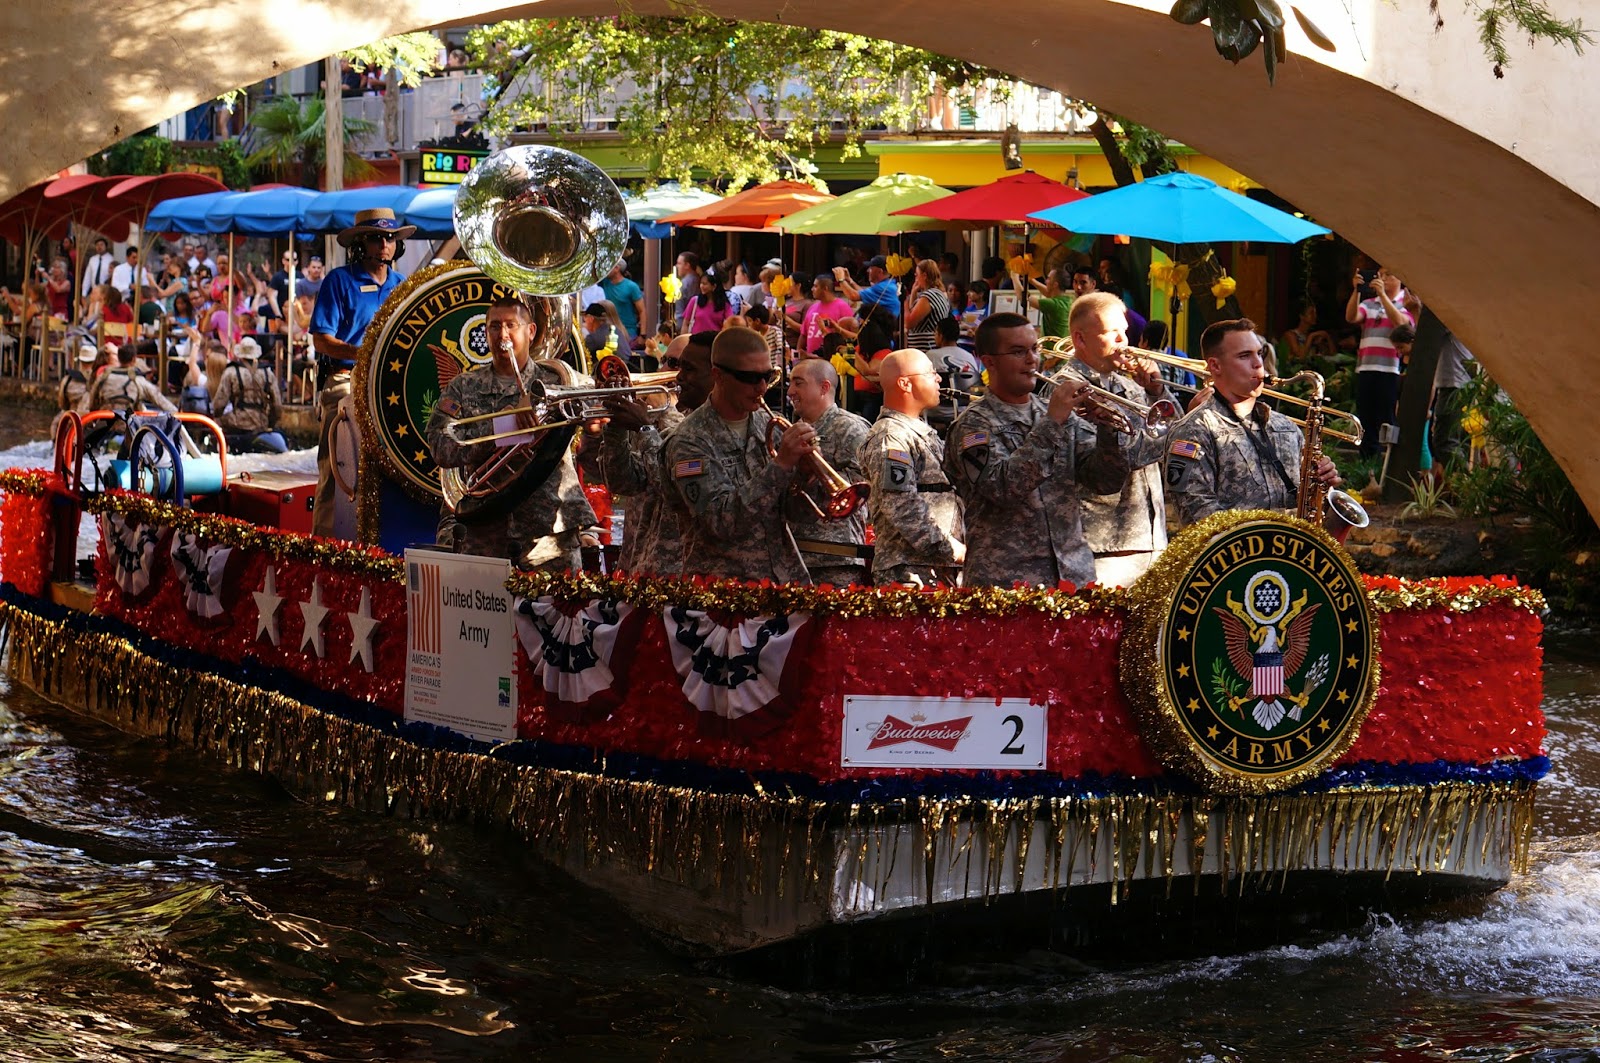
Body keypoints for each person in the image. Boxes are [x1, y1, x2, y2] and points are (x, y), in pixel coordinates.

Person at [944, 312, 1130, 588]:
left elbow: (1105, 482)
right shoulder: (973, 426)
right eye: (1018, 352)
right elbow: (1004, 488)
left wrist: (1108, 430)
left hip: (1072, 578)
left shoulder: (1057, 413)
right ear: (989, 362)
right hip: (1006, 585)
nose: (1032, 360)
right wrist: (1052, 422)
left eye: (1034, 349)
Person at [424, 296, 598, 571]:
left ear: (530, 331)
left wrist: (547, 403)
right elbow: (440, 446)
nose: (502, 335)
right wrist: (502, 427)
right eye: (494, 327)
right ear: (486, 332)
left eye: (511, 325)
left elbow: (595, 409)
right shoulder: (463, 386)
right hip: (487, 531)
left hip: (550, 531)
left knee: (556, 613)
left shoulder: (558, 380)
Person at [662, 326, 812, 583]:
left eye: (768, 375)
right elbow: (721, 521)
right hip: (723, 596)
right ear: (718, 375)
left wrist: (807, 478)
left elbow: (797, 515)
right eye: (750, 378)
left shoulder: (768, 423)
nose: (762, 387)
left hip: (783, 583)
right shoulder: (688, 441)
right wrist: (781, 465)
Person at [1164, 318, 1342, 526]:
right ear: (1215, 366)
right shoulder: (1192, 431)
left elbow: (1310, 503)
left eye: (1259, 353)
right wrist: (1283, 523)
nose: (1258, 363)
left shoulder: (1286, 428)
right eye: (1244, 356)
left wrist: (1323, 486)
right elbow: (1196, 515)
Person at [309, 207, 412, 537]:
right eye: (377, 238)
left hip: (386, 384)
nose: (384, 244)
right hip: (344, 381)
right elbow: (322, 340)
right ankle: (323, 543)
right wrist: (364, 354)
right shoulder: (339, 281)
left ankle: (380, 542)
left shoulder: (402, 286)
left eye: (390, 238)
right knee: (335, 466)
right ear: (361, 243)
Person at [1064, 292, 1176, 585]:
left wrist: (1157, 393)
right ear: (1080, 339)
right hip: (1103, 543)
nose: (1123, 342)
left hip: (1150, 535)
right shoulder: (1067, 391)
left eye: (1124, 332)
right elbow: (1113, 463)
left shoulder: (1127, 384)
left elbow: (1173, 437)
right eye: (1112, 333)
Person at [599, 332, 715, 574]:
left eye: (682, 365)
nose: (671, 372)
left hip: (683, 571)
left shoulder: (705, 424)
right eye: (669, 362)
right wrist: (616, 428)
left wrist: (650, 424)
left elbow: (674, 477)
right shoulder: (654, 411)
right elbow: (624, 482)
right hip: (639, 562)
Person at [860, 348, 966, 586]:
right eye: (930, 373)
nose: (939, 378)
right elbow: (901, 505)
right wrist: (951, 549)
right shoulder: (891, 437)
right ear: (905, 384)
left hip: (935, 569)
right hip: (910, 574)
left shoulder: (918, 432)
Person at [785, 358, 871, 586]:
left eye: (798, 383)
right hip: (794, 553)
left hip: (835, 554)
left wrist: (817, 472)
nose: (790, 391)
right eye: (790, 383)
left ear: (824, 387)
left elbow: (864, 489)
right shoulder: (791, 430)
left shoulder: (849, 427)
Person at [1345, 266, 1414, 458]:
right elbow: (1351, 317)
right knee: (1366, 418)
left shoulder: (1405, 303)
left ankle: (1387, 461)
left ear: (1400, 279)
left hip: (1390, 370)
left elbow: (1402, 324)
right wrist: (1356, 291)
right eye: (1381, 275)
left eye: (1388, 275)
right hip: (1366, 367)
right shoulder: (1369, 303)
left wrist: (1383, 296)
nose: (1382, 278)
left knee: (1387, 418)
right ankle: (1367, 463)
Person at [213, 337, 286, 452]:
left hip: (237, 422)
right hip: (261, 422)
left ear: (240, 354)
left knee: (217, 423)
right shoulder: (268, 373)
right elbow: (277, 405)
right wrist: (270, 423)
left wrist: (216, 417)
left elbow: (219, 403)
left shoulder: (231, 372)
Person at [87, 341, 177, 414]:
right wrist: (177, 413)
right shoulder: (138, 380)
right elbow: (161, 401)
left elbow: (92, 403)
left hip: (105, 423)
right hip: (130, 426)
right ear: (134, 359)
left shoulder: (104, 376)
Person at [1430, 326, 1475, 469]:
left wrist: (1414, 312)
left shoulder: (1444, 314)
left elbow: (1427, 335)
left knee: (1445, 442)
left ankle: (1465, 482)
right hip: (1462, 383)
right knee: (1461, 442)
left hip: (1454, 384)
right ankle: (1465, 483)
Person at [795, 274, 853, 358]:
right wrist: (798, 353)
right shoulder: (812, 307)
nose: (812, 289)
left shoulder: (843, 307)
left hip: (832, 359)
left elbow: (851, 335)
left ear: (825, 288)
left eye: (815, 286)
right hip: (809, 359)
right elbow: (804, 334)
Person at [903, 258, 951, 352]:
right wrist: (913, 293)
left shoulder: (929, 296)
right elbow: (913, 310)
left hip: (925, 347)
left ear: (924, 276)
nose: (916, 279)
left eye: (917, 276)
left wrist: (905, 304)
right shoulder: (940, 293)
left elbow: (909, 323)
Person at [833, 255, 901, 319]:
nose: (868, 271)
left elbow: (853, 296)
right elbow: (864, 294)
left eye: (871, 269)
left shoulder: (883, 288)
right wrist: (850, 280)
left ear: (880, 272)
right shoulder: (888, 284)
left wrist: (840, 280)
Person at [599, 260, 644, 346]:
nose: (606, 269)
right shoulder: (605, 283)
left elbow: (642, 311)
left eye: (609, 266)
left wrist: (642, 335)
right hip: (608, 332)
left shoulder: (631, 287)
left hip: (628, 333)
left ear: (616, 268)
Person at [1280, 300, 1335, 365]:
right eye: (1311, 313)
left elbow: (1332, 354)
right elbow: (1300, 357)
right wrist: (1310, 337)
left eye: (1315, 313)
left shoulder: (1315, 336)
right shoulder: (1291, 334)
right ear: (1302, 316)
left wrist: (1327, 337)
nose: (1315, 316)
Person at [1029, 268, 1074, 339]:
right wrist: (1032, 281)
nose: (1045, 281)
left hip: (1050, 348)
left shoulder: (1053, 304)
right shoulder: (1067, 301)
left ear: (1055, 285)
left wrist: (1014, 278)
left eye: (1048, 279)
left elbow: (1025, 298)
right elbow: (1048, 293)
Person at [57, 343, 98, 414]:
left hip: (73, 419)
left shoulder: (67, 381)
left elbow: (62, 404)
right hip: (95, 420)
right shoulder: (103, 381)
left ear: (80, 362)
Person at [81, 237, 114, 303]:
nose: (99, 247)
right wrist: (84, 294)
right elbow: (88, 277)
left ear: (106, 246)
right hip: (94, 291)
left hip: (105, 291)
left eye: (101, 245)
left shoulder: (111, 259)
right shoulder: (92, 259)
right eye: (97, 245)